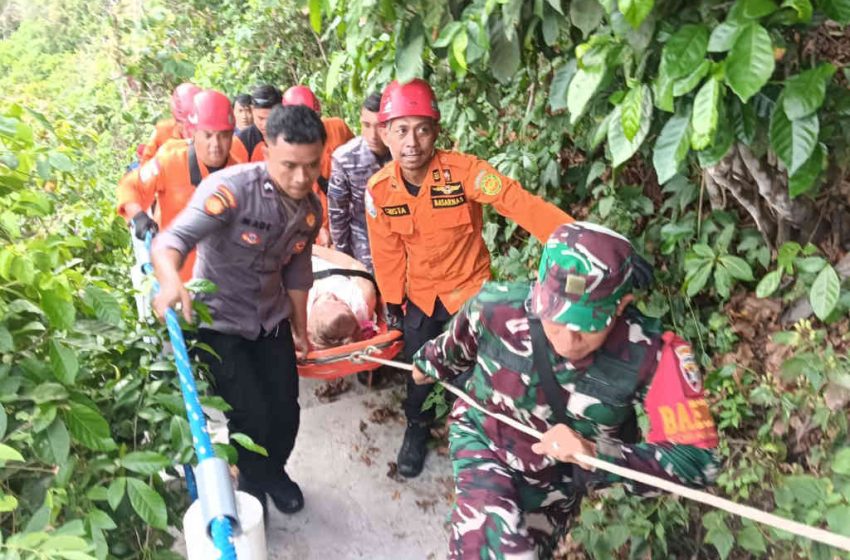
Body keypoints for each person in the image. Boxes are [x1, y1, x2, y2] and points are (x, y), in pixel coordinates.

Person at [411, 222, 720, 558]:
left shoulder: (654, 355)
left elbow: (699, 460)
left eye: (587, 325)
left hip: (556, 484)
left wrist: (597, 454)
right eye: (556, 319)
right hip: (485, 443)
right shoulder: (494, 308)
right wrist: (424, 365)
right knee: (487, 544)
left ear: (621, 305)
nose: (568, 339)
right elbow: (445, 355)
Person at [366, 78, 575, 478]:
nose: (412, 142)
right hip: (422, 297)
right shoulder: (380, 190)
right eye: (401, 130)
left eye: (422, 129)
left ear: (436, 132)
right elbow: (386, 250)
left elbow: (519, 204)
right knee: (420, 368)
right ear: (385, 133)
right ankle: (417, 429)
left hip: (470, 295)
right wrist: (392, 299)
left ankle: (491, 445)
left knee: (484, 374)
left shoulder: (464, 173)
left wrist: (575, 240)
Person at [150, 104, 326, 515]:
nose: (302, 178)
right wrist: (172, 279)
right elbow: (171, 240)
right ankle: (251, 486)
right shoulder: (230, 190)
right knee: (250, 415)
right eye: (290, 166)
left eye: (312, 166)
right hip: (220, 323)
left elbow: (298, 271)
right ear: (266, 154)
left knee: (286, 411)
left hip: (271, 320)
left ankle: (273, 472)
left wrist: (301, 329)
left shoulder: (311, 210)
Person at [117, 89, 239, 281]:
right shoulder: (170, 159)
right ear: (193, 134)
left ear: (232, 135)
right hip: (175, 275)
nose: (215, 145)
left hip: (222, 282)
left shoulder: (239, 176)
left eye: (223, 135)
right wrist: (138, 216)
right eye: (207, 135)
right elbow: (131, 185)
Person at [282, 85, 354, 246]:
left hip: (350, 220)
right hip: (317, 231)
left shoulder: (337, 128)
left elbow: (358, 160)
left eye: (311, 118)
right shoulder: (286, 150)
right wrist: (319, 228)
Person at [327, 92, 391, 272]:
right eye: (366, 125)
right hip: (365, 237)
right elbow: (337, 213)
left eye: (380, 126)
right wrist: (344, 260)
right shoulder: (345, 158)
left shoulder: (406, 153)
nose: (373, 135)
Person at [307, 245, 377, 349]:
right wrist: (311, 248)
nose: (330, 294)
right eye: (339, 300)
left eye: (329, 300)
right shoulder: (362, 302)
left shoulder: (298, 314)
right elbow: (352, 264)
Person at [139, 82, 200, 164]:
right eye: (181, 123)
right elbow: (146, 162)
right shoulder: (163, 130)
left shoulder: (212, 130)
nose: (187, 129)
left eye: (192, 125)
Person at [230, 84, 281, 163]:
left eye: (270, 118)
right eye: (260, 118)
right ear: (252, 110)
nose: (265, 124)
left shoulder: (291, 136)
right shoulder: (241, 142)